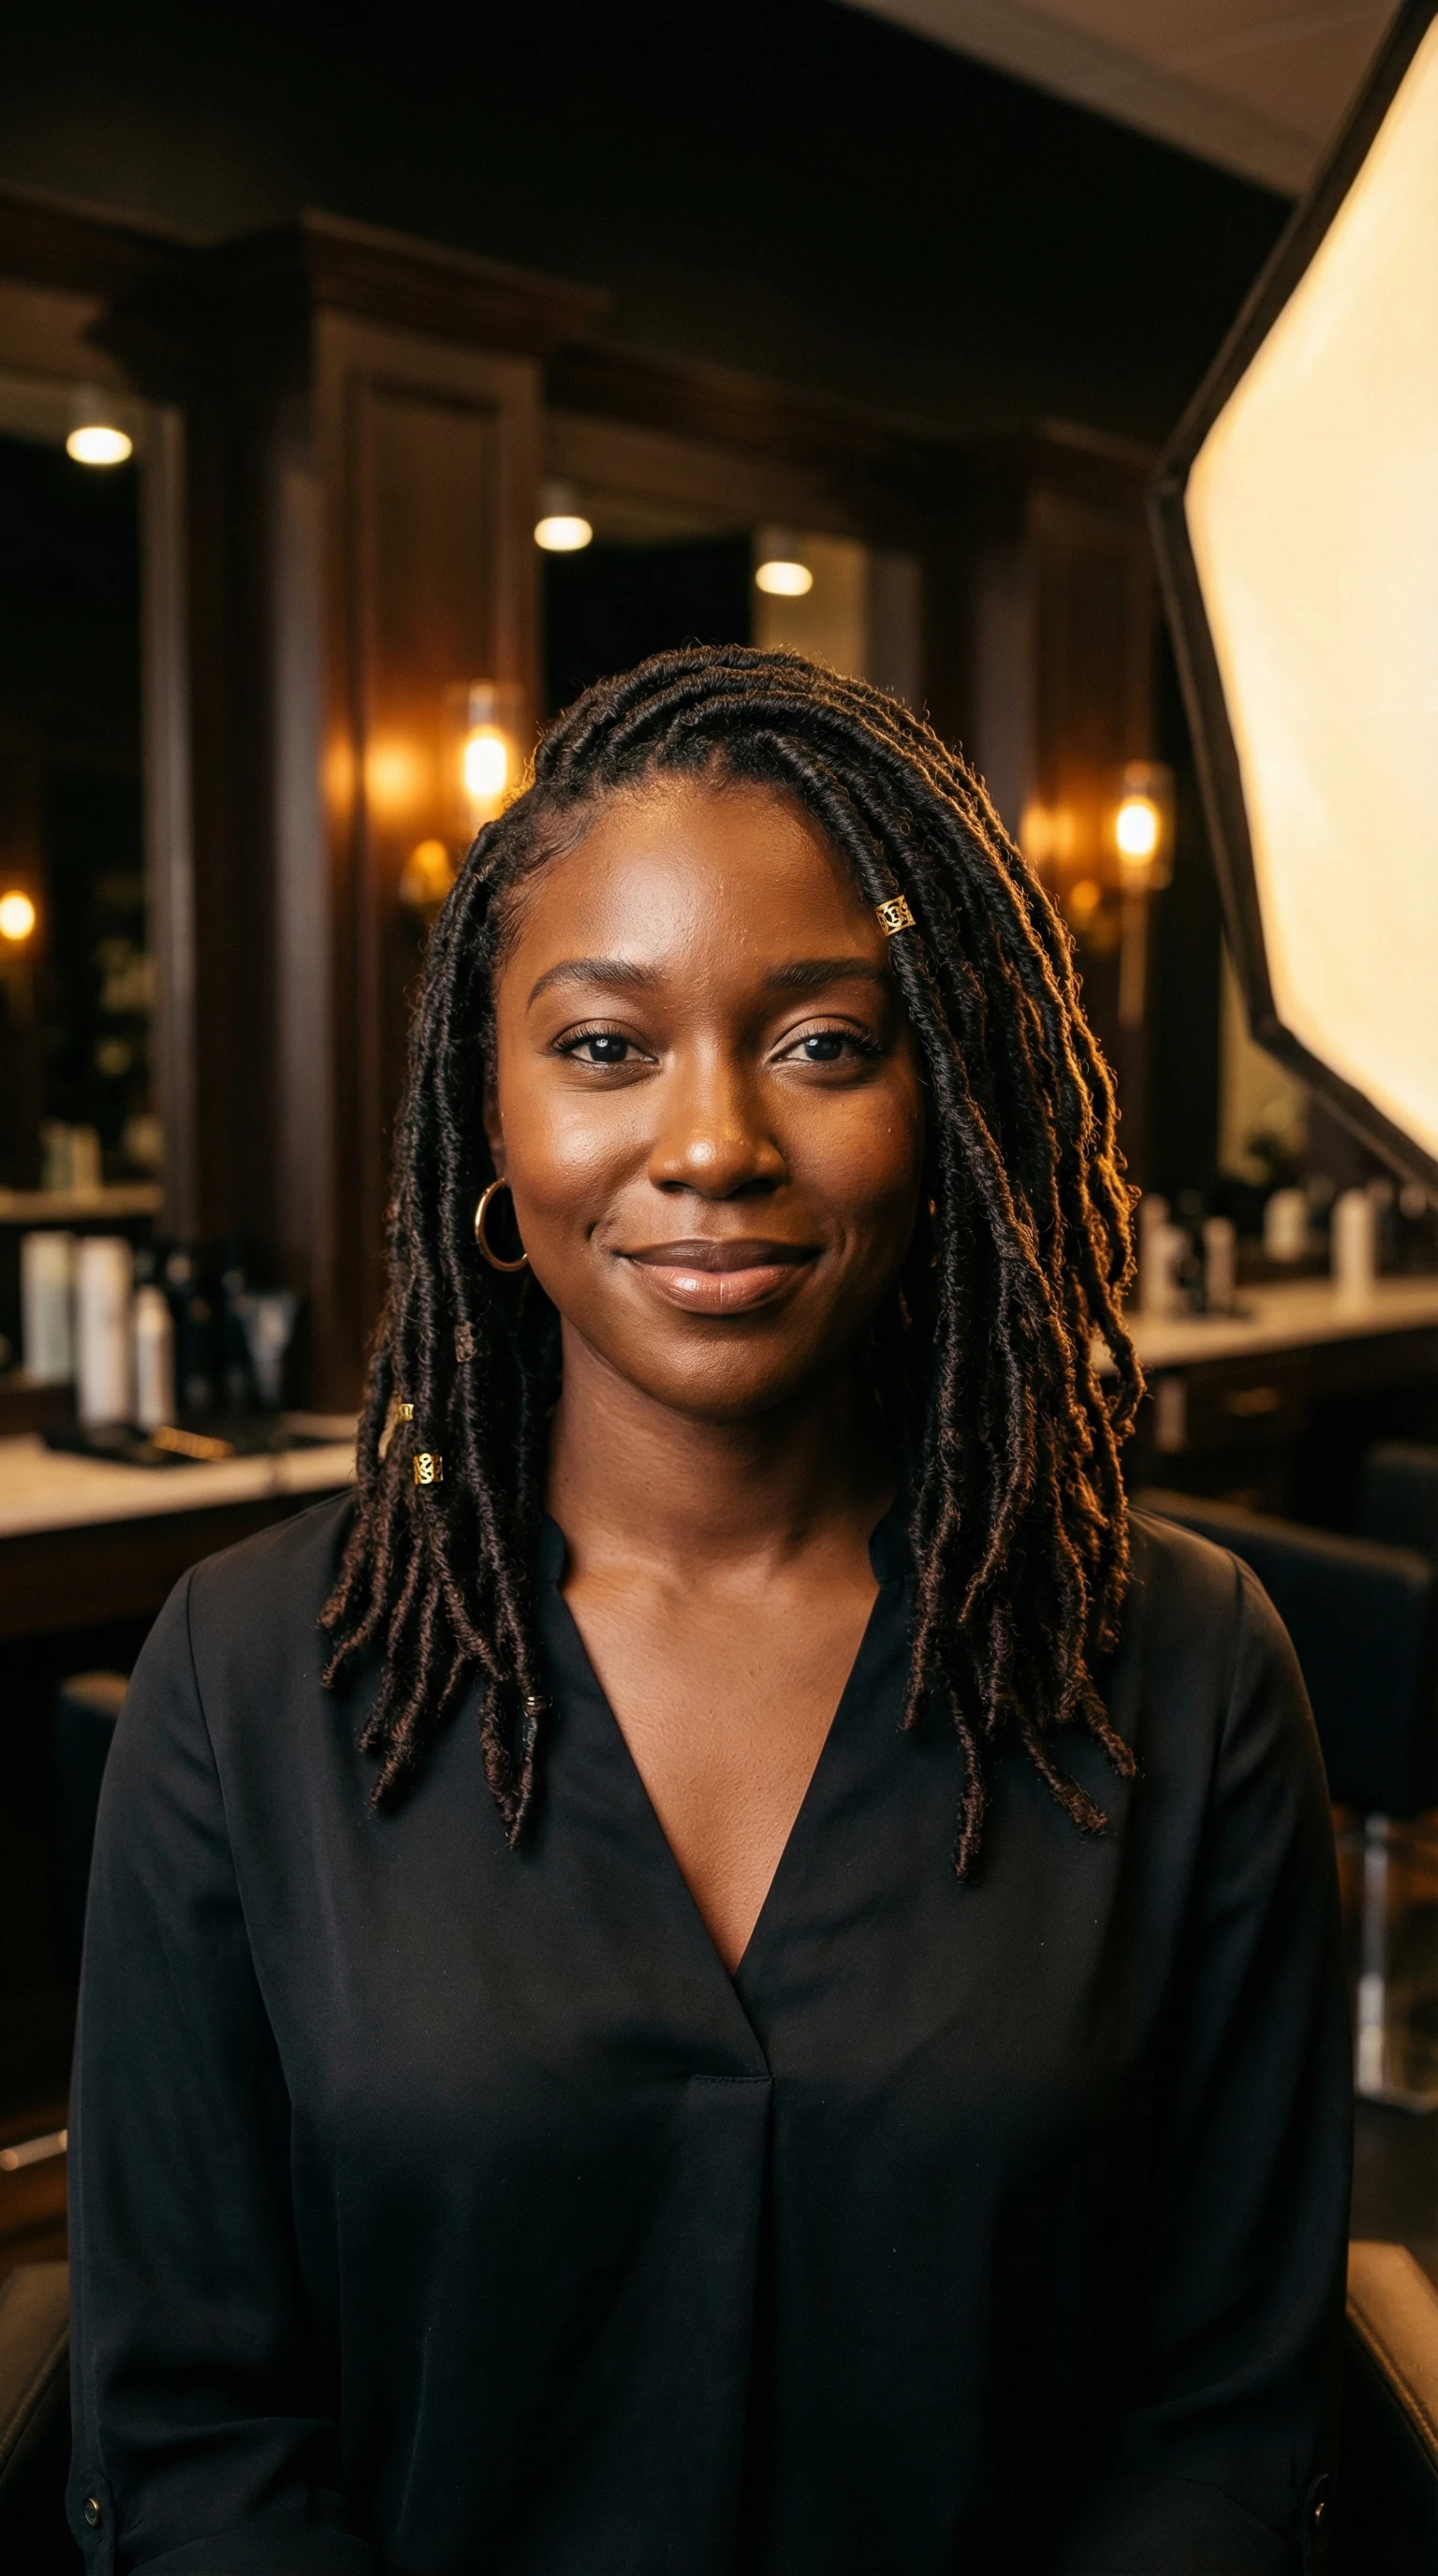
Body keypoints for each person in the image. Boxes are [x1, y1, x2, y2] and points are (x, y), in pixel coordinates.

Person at [68, 647, 1350, 2576]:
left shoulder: (1184, 1664)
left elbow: (1221, 2416)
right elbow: (194, 2433)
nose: (713, 1142)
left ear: (947, 1106)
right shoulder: (246, 1678)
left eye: (823, 1042)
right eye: (604, 1046)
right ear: (490, 1111)